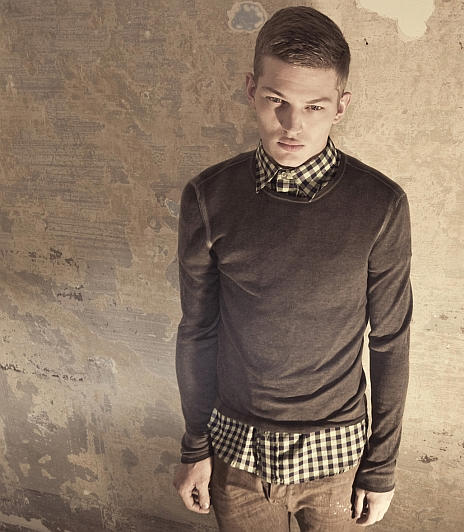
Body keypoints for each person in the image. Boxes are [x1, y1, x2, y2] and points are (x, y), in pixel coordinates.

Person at [171, 6, 412, 530]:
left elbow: (391, 340)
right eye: (276, 100)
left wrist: (381, 466)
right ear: (251, 90)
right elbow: (197, 329)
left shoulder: (381, 204)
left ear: (341, 106)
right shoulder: (209, 197)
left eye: (314, 106)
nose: (292, 125)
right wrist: (194, 444)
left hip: (339, 458)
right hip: (235, 451)